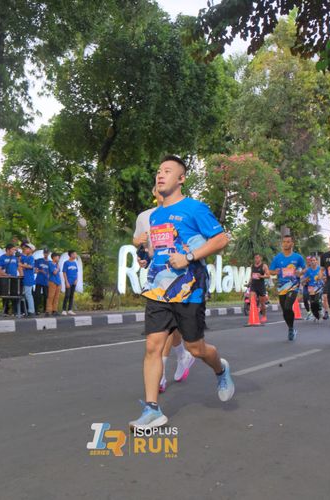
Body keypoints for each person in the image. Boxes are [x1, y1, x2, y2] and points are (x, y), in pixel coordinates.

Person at [130, 155, 234, 430]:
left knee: (195, 348)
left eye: (167, 171)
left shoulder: (194, 208)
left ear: (181, 178)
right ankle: (152, 409)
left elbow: (221, 239)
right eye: (158, 171)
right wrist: (146, 257)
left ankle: (221, 368)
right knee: (153, 346)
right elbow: (159, 250)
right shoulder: (155, 216)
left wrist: (189, 256)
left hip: (190, 287)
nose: (160, 175)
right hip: (159, 289)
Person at [133, 185, 196, 394]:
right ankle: (181, 356)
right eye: (157, 188)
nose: (162, 191)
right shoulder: (145, 216)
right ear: (154, 193)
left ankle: (164, 368)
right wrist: (141, 253)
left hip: (180, 275)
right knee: (168, 325)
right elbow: (138, 243)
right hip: (157, 277)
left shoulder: (181, 213)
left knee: (170, 325)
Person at [268, 234, 305, 341]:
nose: (285, 244)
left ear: (292, 243)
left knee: (288, 306)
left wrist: (300, 272)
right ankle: (291, 328)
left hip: (293, 285)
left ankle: (291, 328)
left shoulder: (298, 257)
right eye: (284, 242)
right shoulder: (277, 257)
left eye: (288, 242)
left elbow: (304, 269)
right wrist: (275, 272)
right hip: (282, 287)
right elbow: (270, 271)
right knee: (285, 310)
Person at [0, 244, 21, 316]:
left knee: (15, 294)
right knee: (5, 294)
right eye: (13, 249)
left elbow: (18, 267)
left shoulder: (15, 258)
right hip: (5, 279)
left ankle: (15, 311)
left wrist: (21, 275)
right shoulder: (2, 258)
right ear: (8, 250)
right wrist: (6, 275)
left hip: (14, 278)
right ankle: (5, 311)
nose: (14, 251)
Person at [302, 255, 323, 321]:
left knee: (316, 301)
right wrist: (305, 280)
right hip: (311, 288)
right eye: (311, 260)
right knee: (312, 303)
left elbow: (323, 277)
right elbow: (304, 280)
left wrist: (320, 278)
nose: (313, 262)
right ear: (310, 262)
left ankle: (320, 311)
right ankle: (315, 315)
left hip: (318, 287)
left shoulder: (320, 269)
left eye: (314, 260)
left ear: (316, 261)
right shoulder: (308, 270)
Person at [249, 253, 269, 322]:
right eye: (255, 258)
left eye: (257, 258)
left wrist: (261, 276)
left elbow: (268, 276)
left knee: (262, 303)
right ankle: (254, 315)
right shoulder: (252, 266)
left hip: (261, 286)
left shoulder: (264, 266)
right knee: (252, 300)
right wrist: (249, 283)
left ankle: (264, 316)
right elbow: (251, 275)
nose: (256, 259)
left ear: (260, 258)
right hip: (253, 286)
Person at [19, 243, 37, 317]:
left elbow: (30, 266)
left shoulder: (31, 258)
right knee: (26, 295)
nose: (25, 249)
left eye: (27, 248)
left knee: (28, 295)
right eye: (25, 248)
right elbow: (19, 260)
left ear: (31, 250)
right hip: (25, 277)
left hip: (29, 278)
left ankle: (31, 311)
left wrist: (21, 265)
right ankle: (27, 311)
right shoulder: (26, 257)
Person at [62, 250, 79, 315]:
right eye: (74, 254)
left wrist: (76, 280)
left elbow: (76, 272)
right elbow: (64, 272)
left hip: (74, 282)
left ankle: (70, 309)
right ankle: (64, 310)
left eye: (76, 254)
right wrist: (66, 282)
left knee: (72, 295)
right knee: (67, 295)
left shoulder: (75, 263)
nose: (75, 255)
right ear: (71, 255)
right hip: (68, 281)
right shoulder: (66, 263)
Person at [34, 248, 50, 314]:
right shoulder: (39, 260)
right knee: (37, 295)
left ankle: (45, 309)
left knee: (46, 295)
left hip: (46, 281)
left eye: (47, 253)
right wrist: (40, 271)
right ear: (43, 253)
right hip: (39, 280)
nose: (46, 254)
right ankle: (36, 310)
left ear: (49, 253)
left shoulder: (50, 262)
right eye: (45, 253)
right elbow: (35, 270)